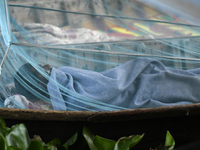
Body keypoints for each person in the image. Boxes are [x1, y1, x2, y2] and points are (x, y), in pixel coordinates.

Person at [14, 58, 200, 111]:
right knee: (171, 81)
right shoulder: (68, 96)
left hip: (134, 82)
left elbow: (108, 81)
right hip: (136, 88)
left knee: (162, 79)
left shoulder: (63, 77)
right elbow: (108, 87)